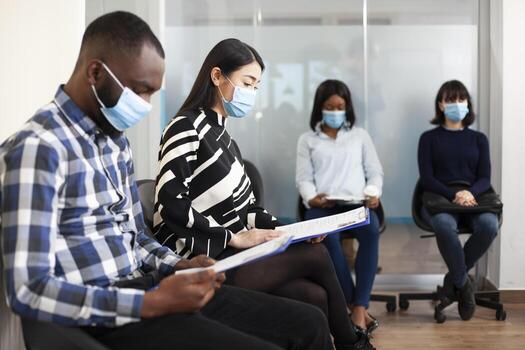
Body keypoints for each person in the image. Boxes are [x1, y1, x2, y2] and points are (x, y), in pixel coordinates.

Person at [0, 12, 334, 350]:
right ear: (96, 72)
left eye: (151, 94)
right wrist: (149, 304)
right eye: (139, 90)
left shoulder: (115, 144)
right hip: (106, 315)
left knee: (310, 323)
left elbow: (138, 239)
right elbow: (29, 289)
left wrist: (181, 267)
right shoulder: (39, 149)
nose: (144, 106)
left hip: (150, 289)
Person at [154, 39, 374, 350]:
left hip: (233, 253)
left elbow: (248, 208)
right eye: (247, 82)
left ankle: (352, 342)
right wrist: (232, 236)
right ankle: (355, 343)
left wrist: (287, 231)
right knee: (316, 256)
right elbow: (171, 205)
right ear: (217, 76)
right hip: (201, 258)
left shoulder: (226, 140)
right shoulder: (185, 127)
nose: (252, 93)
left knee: (314, 296)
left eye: (256, 86)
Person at [296, 80, 384, 335]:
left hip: (355, 204)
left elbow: (374, 171)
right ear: (319, 108)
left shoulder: (360, 136)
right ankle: (356, 307)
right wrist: (312, 197)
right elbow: (303, 178)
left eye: (340, 106)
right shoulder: (307, 140)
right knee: (329, 239)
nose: (335, 111)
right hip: (323, 206)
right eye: (329, 106)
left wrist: (374, 193)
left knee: (371, 231)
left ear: (347, 108)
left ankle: (358, 307)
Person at [418, 79, 499, 321]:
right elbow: (427, 178)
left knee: (489, 225)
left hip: (474, 197)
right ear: (440, 105)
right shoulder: (428, 138)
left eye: (460, 99)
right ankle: (464, 286)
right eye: (450, 100)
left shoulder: (479, 139)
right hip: (441, 198)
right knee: (444, 225)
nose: (456, 104)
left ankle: (453, 280)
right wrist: (454, 195)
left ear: (468, 104)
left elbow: (485, 177)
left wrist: (469, 193)